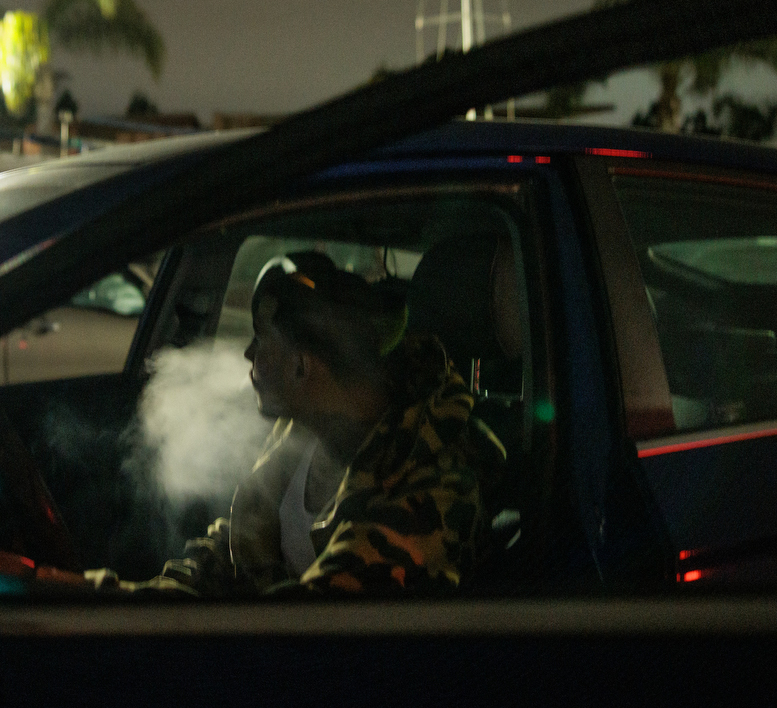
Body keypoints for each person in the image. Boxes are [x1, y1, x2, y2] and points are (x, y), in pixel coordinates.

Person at [92, 251, 506, 595]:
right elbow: (227, 554)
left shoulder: (431, 488)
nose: (248, 354)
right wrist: (120, 601)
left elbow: (311, 625)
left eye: (262, 338)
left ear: (302, 367)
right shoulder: (299, 434)